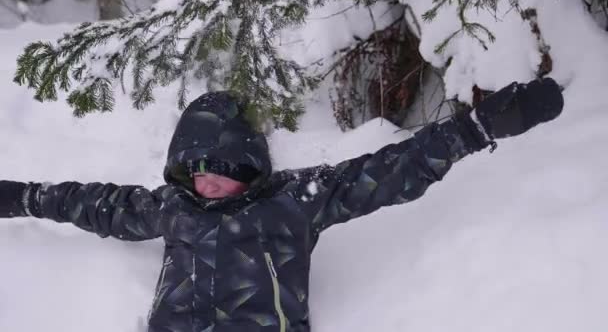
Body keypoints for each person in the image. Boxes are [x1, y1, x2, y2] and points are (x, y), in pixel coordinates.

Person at [0, 78, 564, 332]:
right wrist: (20, 197)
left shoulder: (298, 202)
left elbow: (394, 171)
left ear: (249, 162)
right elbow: (91, 204)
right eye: (196, 168)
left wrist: (481, 125)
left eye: (220, 166)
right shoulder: (169, 208)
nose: (206, 181)